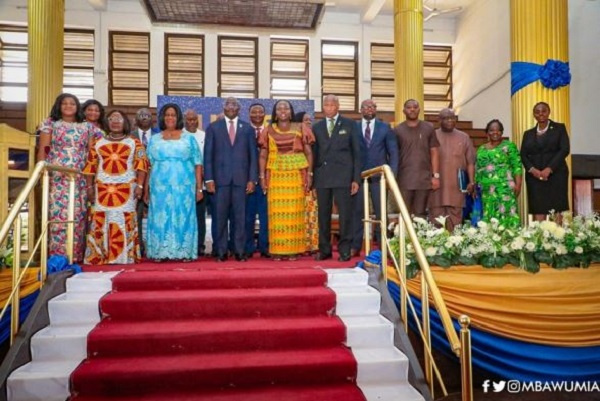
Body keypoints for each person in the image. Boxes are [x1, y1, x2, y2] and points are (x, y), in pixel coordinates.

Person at [36, 93, 103, 262]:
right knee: (58, 216)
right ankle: (57, 258)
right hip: (57, 176)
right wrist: (40, 173)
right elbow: (43, 150)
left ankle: (75, 255)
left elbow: (101, 144)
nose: (68, 106)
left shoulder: (86, 126)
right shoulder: (50, 123)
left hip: (79, 176)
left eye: (72, 103)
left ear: (77, 107)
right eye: (64, 103)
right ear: (59, 106)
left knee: (78, 216)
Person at [84, 110, 148, 264]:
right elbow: (90, 167)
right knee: (101, 219)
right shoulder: (98, 142)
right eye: (112, 118)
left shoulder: (134, 142)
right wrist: (89, 188)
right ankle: (100, 256)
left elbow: (141, 165)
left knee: (123, 219)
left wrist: (140, 185)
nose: (115, 121)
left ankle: (125, 256)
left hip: (126, 189)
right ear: (107, 122)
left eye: (119, 118)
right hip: (103, 190)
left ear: (125, 122)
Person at [145, 103, 203, 261]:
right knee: (160, 217)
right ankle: (160, 252)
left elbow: (198, 164)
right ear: (162, 118)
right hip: (159, 187)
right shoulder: (154, 139)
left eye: (173, 115)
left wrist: (199, 189)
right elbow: (148, 166)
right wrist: (146, 190)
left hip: (183, 185)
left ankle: (184, 252)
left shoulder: (189, 139)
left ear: (178, 118)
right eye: (167, 115)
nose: (170, 118)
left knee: (183, 216)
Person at [258, 100, 314, 261]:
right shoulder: (268, 130)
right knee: (276, 215)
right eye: (280, 108)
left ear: (291, 112)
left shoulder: (301, 127)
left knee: (294, 213)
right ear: (275, 112)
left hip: (296, 176)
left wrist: (310, 174)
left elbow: (309, 153)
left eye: (286, 108)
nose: (283, 110)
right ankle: (277, 249)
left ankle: (293, 250)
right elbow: (263, 155)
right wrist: (262, 177)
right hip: (275, 176)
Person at [204, 97, 257, 262]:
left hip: (242, 181)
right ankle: (221, 252)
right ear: (223, 107)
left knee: (240, 219)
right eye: (228, 104)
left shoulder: (247, 129)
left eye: (234, 104)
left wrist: (252, 179)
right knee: (219, 218)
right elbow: (208, 156)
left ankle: (239, 251)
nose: (231, 106)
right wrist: (209, 179)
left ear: (239, 109)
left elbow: (253, 157)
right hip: (219, 182)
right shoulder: (213, 127)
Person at [311, 94, 360, 262]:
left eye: (332, 104)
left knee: (345, 215)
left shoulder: (350, 124)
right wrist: (312, 179)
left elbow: (357, 154)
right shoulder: (316, 127)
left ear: (338, 106)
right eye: (326, 105)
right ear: (323, 107)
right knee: (323, 214)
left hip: (344, 177)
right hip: (322, 177)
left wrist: (356, 179)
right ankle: (324, 249)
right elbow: (314, 154)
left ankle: (345, 249)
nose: (329, 107)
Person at [351, 99, 399, 256]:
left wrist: (392, 175)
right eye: (366, 107)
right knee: (357, 212)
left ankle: (383, 244)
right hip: (359, 177)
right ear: (360, 110)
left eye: (372, 107)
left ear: (376, 109)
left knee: (381, 212)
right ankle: (356, 245)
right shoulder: (354, 127)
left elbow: (393, 152)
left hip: (380, 177)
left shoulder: (385, 128)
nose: (369, 109)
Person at [520, 102, 570, 222]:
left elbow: (564, 149)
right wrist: (533, 170)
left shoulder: (559, 128)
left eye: (543, 111)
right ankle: (540, 238)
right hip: (534, 177)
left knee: (557, 207)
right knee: (538, 207)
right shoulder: (528, 133)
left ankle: (556, 238)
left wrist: (549, 169)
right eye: (537, 111)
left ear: (549, 112)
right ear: (534, 115)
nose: (540, 114)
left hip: (556, 174)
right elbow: (523, 154)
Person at [429, 108, 476, 232]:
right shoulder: (432, 135)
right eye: (446, 118)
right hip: (437, 187)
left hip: (456, 186)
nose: (450, 120)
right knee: (436, 217)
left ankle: (453, 247)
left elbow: (470, 162)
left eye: (452, 118)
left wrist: (471, 182)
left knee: (455, 220)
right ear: (439, 120)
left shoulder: (464, 137)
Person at [394, 99, 440, 218]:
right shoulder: (397, 130)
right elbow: (394, 154)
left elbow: (434, 151)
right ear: (404, 111)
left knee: (421, 214)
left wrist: (435, 176)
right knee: (404, 213)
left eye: (415, 107)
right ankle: (405, 237)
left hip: (423, 178)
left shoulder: (429, 127)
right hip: (404, 178)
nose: (412, 109)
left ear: (419, 109)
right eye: (409, 107)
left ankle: (419, 237)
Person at [475, 119, 523, 228]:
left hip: (504, 187)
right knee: (489, 213)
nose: (495, 133)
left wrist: (518, 184)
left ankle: (509, 240)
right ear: (487, 132)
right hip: (486, 189)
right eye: (491, 130)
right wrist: (476, 184)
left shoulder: (509, 146)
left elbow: (517, 166)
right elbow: (478, 168)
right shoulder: (481, 149)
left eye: (498, 130)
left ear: (502, 132)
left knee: (506, 213)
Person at [131, 108, 159, 257]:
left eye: (147, 115)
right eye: (141, 115)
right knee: (136, 215)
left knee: (157, 215)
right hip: (133, 181)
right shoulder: (129, 136)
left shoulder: (159, 136)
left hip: (157, 181)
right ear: (136, 119)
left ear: (152, 119)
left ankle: (156, 247)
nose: (144, 118)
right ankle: (138, 248)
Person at [183, 109, 210, 257]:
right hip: (184, 183)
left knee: (200, 216)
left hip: (202, 184)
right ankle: (186, 244)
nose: (191, 122)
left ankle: (200, 245)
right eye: (189, 119)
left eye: (194, 119)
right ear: (184, 120)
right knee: (185, 215)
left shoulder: (204, 136)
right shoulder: (179, 136)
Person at [245, 103, 270, 258]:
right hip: (247, 179)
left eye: (260, 112)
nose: (257, 114)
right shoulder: (244, 131)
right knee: (247, 216)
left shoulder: (270, 131)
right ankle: (247, 247)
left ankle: (264, 246)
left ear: (265, 114)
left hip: (267, 179)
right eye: (254, 112)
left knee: (265, 215)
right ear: (249, 114)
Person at [295, 112, 319, 254]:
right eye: (305, 120)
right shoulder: (295, 137)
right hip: (296, 179)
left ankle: (312, 245)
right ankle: (300, 245)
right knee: (299, 214)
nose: (309, 122)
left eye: (310, 120)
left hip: (312, 180)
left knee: (312, 214)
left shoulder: (314, 137)